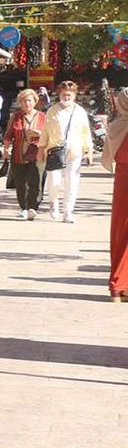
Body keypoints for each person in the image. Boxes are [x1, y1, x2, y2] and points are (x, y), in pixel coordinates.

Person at [41, 80, 94, 223]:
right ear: (59, 94)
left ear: (74, 95)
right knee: (54, 181)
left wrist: (88, 150)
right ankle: (53, 203)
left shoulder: (80, 112)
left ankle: (68, 211)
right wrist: (41, 148)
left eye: (69, 95)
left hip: (74, 151)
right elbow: (45, 131)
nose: (66, 97)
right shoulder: (52, 110)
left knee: (72, 182)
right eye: (64, 94)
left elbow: (85, 132)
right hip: (55, 150)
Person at [2, 89, 46, 220]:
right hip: (18, 154)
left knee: (36, 182)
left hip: (37, 154)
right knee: (21, 183)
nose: (27, 103)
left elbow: (49, 135)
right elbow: (8, 135)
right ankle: (24, 208)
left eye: (29, 100)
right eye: (24, 101)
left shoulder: (42, 117)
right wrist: (5, 150)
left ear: (35, 102)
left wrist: (39, 133)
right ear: (20, 103)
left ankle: (33, 207)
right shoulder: (15, 117)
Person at [102, 87, 128, 301]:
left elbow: (109, 155)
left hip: (122, 183)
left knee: (120, 233)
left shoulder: (116, 126)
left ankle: (118, 287)